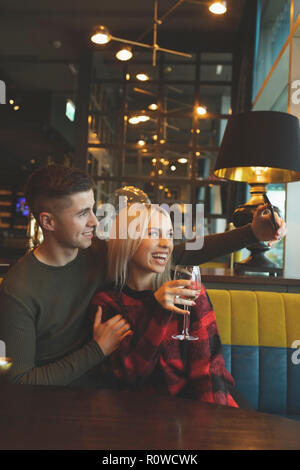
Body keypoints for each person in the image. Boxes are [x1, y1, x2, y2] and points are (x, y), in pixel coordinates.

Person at [0, 164, 285, 387]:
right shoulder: (18, 289)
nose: (94, 221)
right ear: (48, 221)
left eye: (93, 209)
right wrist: (96, 350)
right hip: (50, 404)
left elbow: (178, 253)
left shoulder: (95, 253)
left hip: (107, 388)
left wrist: (251, 233)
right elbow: (18, 381)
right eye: (82, 213)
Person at [91, 204, 240, 407]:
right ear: (126, 241)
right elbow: (130, 373)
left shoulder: (187, 290)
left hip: (196, 409)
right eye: (153, 233)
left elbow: (208, 368)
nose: (166, 244)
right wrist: (157, 309)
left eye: (169, 235)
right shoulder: (108, 303)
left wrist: (213, 422)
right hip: (139, 416)